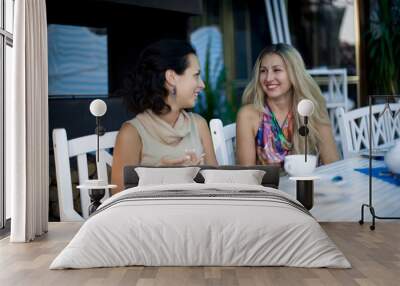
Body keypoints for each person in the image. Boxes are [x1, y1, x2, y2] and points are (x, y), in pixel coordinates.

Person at [111, 40, 218, 193]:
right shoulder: (132, 133)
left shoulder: (199, 125)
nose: (202, 84)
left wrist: (197, 176)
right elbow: (118, 199)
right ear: (171, 77)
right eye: (196, 75)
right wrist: (159, 176)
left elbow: (216, 188)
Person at [236, 43, 339, 166]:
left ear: (294, 74)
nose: (268, 78)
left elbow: (333, 164)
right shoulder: (248, 115)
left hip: (309, 184)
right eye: (263, 71)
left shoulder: (312, 109)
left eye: (277, 70)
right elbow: (247, 176)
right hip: (269, 185)